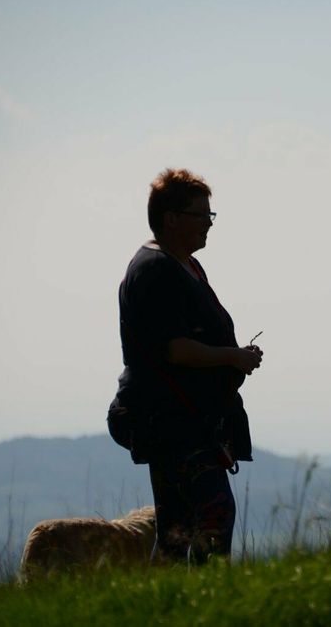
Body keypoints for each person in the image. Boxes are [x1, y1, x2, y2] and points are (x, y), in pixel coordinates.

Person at [108, 168, 263, 563]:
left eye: (210, 216)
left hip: (185, 418)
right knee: (215, 513)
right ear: (171, 219)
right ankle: (207, 603)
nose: (208, 225)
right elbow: (175, 349)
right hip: (170, 420)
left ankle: (169, 607)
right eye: (201, 216)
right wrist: (233, 356)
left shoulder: (183, 265)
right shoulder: (155, 270)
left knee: (176, 529)